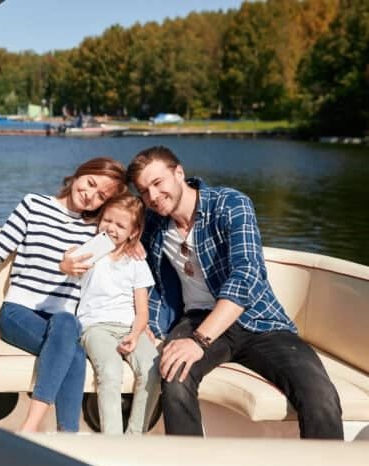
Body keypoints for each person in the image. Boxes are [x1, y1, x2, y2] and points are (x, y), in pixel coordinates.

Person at [126, 145, 343, 439]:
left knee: (320, 396)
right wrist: (128, 242)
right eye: (144, 190)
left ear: (179, 173)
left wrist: (199, 342)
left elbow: (247, 274)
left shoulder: (230, 204)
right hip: (196, 319)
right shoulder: (153, 222)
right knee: (175, 379)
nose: (152, 196)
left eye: (157, 183)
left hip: (258, 322)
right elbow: (111, 212)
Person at [0, 157, 127, 432]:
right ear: (80, 174)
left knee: (69, 328)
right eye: (90, 183)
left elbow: (130, 221)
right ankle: (44, 430)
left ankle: (59, 435)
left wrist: (135, 242)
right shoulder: (33, 205)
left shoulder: (96, 232)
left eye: (101, 196)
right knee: (72, 350)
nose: (90, 195)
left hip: (63, 322)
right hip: (19, 312)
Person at [74, 193, 160, 435]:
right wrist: (78, 254)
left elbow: (142, 311)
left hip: (129, 327)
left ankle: (134, 437)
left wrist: (135, 334)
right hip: (95, 327)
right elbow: (70, 262)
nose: (111, 227)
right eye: (107, 220)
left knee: (152, 368)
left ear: (133, 232)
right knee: (110, 369)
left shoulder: (136, 262)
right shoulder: (90, 252)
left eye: (120, 225)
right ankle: (112, 440)